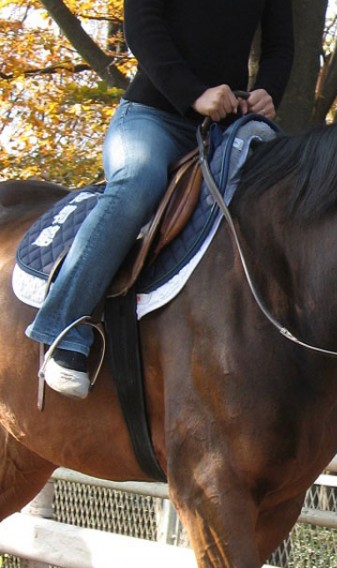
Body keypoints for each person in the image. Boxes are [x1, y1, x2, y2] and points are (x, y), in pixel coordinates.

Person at [27, 0, 294, 399]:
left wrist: (267, 92)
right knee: (138, 182)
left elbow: (280, 46)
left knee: (287, 189)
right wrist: (194, 94)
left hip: (226, 126)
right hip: (151, 116)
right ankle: (63, 329)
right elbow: (142, 24)